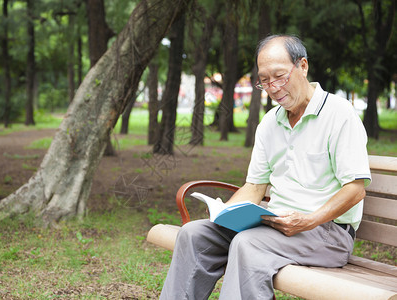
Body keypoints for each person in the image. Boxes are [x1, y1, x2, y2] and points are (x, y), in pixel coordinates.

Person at [159, 34, 371, 300]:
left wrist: (308, 221)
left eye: (280, 76)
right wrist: (227, 213)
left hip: (327, 234)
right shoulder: (271, 121)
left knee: (248, 244)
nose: (273, 87)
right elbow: (255, 185)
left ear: (302, 66)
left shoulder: (340, 114)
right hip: (274, 225)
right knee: (194, 235)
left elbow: (355, 189)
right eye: (265, 80)